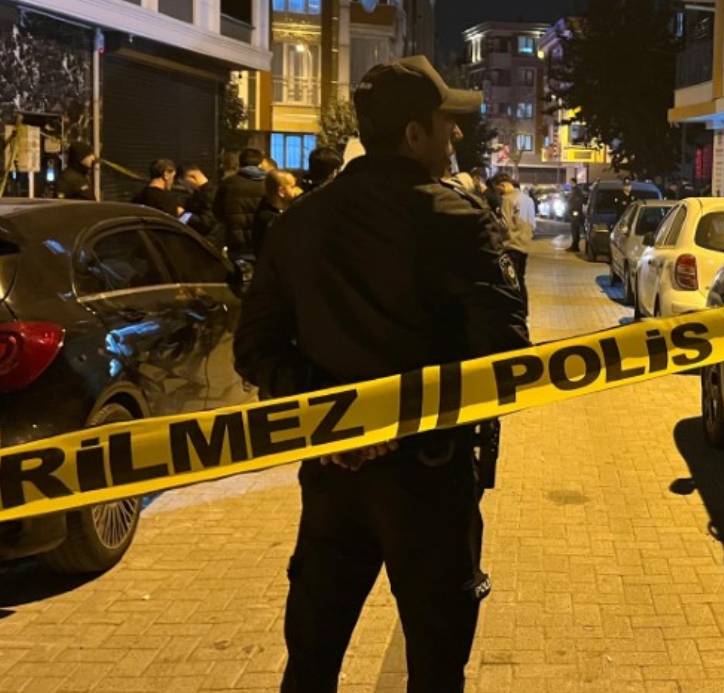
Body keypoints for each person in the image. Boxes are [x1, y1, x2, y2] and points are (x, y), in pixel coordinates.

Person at [233, 55, 528, 692]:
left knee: (312, 659)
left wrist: (336, 416)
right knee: (436, 664)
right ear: (414, 134)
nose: (456, 135)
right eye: (446, 123)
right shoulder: (458, 220)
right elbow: (506, 353)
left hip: (332, 475)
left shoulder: (300, 220)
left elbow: (254, 348)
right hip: (430, 478)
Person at [491, 172, 535, 314]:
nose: (498, 192)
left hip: (511, 245)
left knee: (511, 282)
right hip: (525, 246)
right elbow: (532, 224)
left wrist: (494, 219)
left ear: (502, 185)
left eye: (497, 189)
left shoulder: (507, 200)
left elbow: (505, 225)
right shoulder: (527, 199)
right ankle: (525, 311)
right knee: (521, 280)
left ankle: (516, 312)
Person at [214, 148, 268, 259]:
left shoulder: (229, 183)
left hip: (236, 242)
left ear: (240, 162)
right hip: (262, 240)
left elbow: (217, 211)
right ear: (260, 163)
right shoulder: (268, 183)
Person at [249, 168, 300, 257]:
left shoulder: (268, 210)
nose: (298, 190)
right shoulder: (272, 220)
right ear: (281, 192)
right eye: (292, 187)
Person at [180, 163, 223, 244]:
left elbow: (208, 222)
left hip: (206, 241)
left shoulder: (210, 193)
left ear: (192, 177)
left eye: (183, 182)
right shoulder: (200, 192)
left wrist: (184, 215)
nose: (184, 186)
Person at [566, 178, 586, 252]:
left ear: (573, 182)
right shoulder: (574, 190)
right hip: (573, 212)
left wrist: (575, 211)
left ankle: (575, 246)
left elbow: (578, 201)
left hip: (575, 212)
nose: (569, 183)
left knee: (575, 229)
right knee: (574, 229)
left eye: (570, 182)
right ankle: (574, 245)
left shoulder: (577, 190)